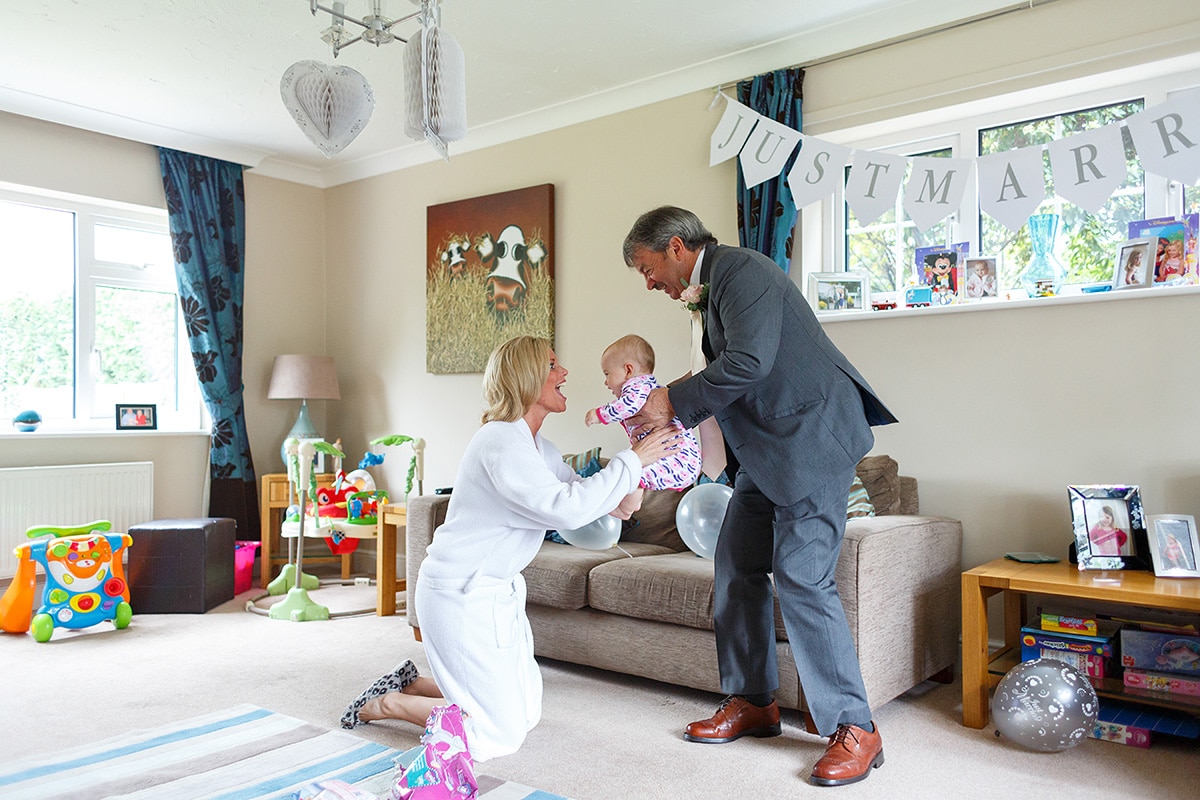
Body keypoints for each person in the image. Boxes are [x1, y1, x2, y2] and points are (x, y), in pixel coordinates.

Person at [622, 206, 897, 787]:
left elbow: (748, 363)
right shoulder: (715, 285)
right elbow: (735, 374)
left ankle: (856, 728)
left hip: (812, 441)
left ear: (675, 247)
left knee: (801, 574)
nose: (649, 284)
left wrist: (670, 401)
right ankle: (752, 700)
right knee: (736, 564)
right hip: (768, 453)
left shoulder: (742, 269)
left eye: (647, 269)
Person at [340, 335, 680, 762]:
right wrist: (632, 462)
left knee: (527, 713)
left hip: (496, 594)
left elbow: (614, 506)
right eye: (553, 365)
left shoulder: (541, 449)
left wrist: (643, 460)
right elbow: (565, 508)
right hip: (459, 595)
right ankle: (388, 705)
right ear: (527, 378)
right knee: (494, 736)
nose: (565, 373)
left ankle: (411, 683)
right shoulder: (499, 441)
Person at [585, 334, 702, 518]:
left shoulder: (636, 387)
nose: (606, 382)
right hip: (678, 457)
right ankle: (635, 501)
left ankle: (625, 509)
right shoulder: (647, 387)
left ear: (628, 370)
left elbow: (628, 405)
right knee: (636, 470)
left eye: (607, 374)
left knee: (635, 473)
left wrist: (599, 414)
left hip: (677, 457)